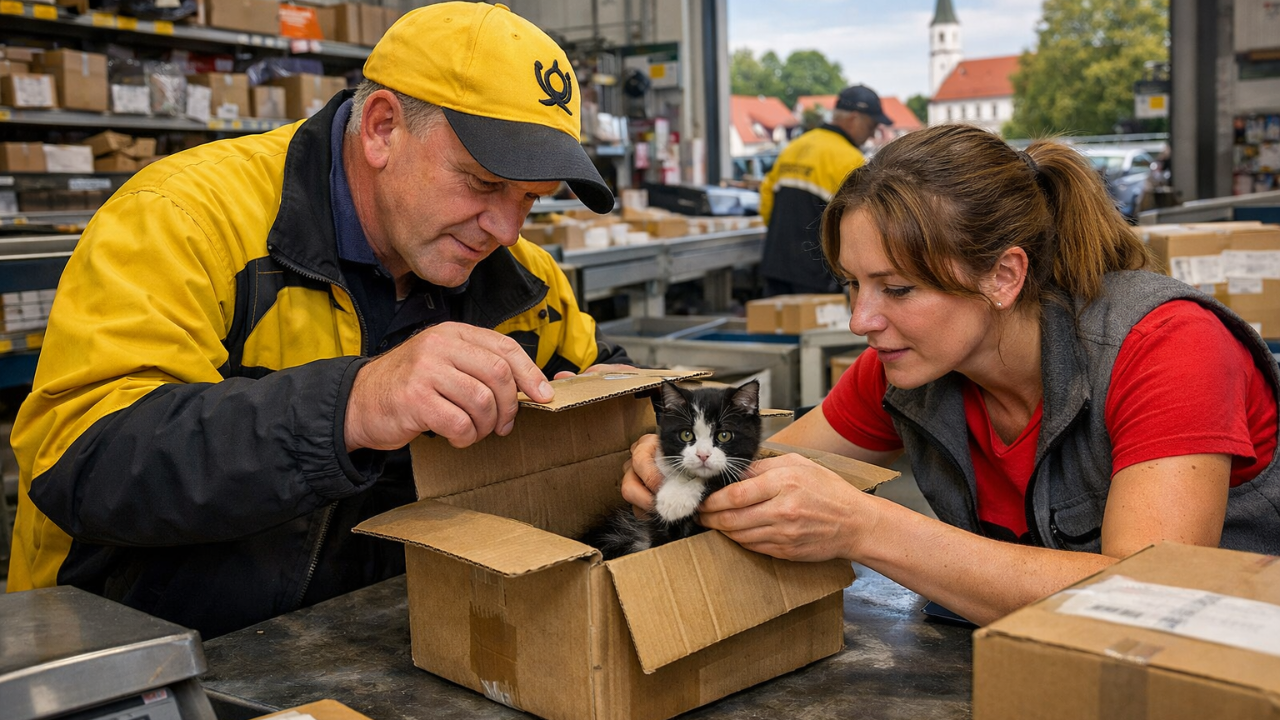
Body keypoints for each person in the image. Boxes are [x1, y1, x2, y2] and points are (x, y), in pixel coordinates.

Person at [8, 2, 633, 638]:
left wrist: (704, 466)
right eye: (479, 183)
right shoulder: (182, 220)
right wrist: (353, 405)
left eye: (529, 199)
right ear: (383, 128)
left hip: (361, 644)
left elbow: (613, 388)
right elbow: (80, 465)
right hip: (140, 656)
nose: (507, 229)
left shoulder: (519, 280)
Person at [624, 124, 1280, 626]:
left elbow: (1147, 598)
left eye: (898, 288)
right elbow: (768, 465)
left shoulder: (1168, 347)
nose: (861, 320)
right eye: (854, 285)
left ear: (1003, 275)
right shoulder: (907, 368)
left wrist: (866, 528)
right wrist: (677, 469)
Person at [758, 85, 891, 297]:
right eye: (871, 125)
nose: (872, 133)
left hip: (775, 265)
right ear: (854, 119)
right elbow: (861, 224)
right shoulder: (850, 160)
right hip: (817, 276)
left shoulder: (795, 147)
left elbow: (766, 203)